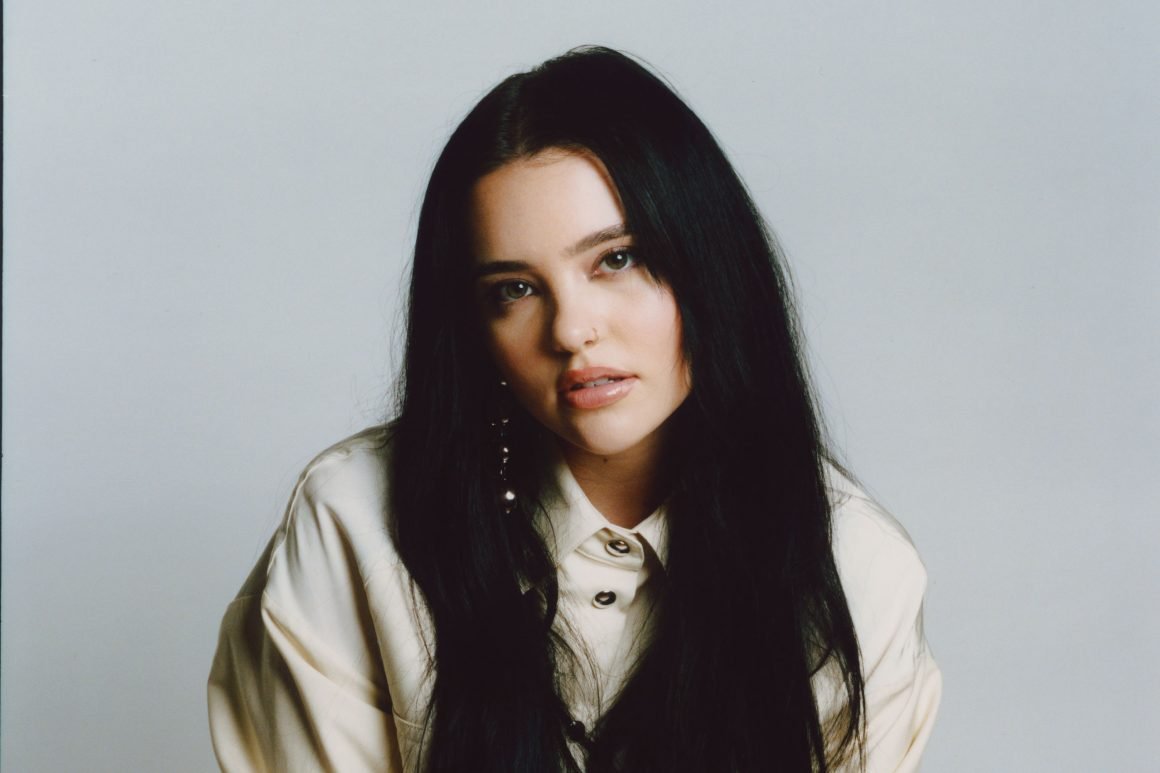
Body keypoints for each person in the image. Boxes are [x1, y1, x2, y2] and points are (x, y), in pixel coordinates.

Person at [207, 46, 941, 772]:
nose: (569, 330)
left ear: (712, 262)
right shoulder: (356, 520)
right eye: (515, 290)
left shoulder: (858, 567)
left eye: (616, 259)